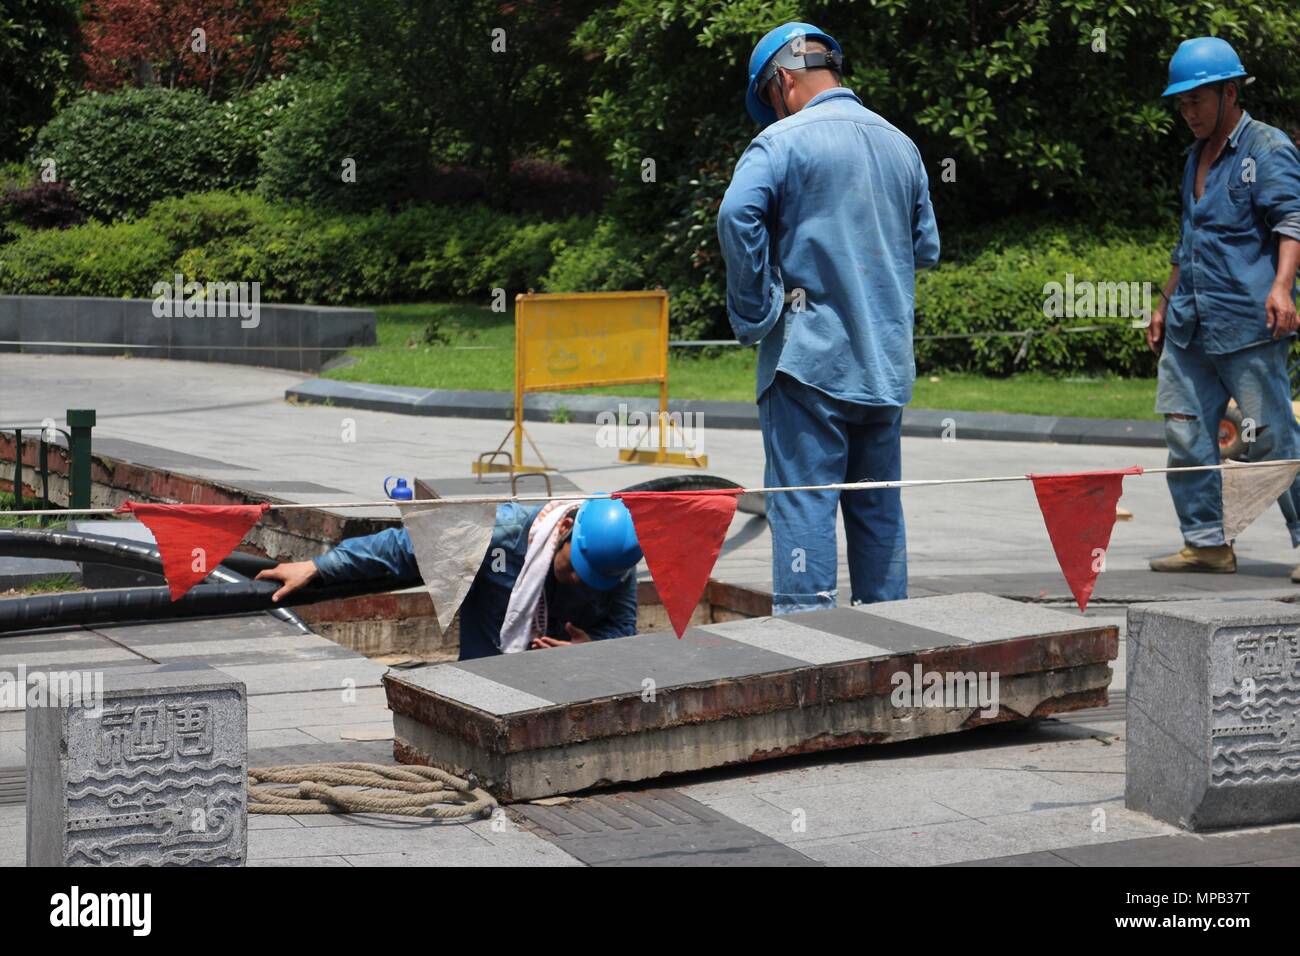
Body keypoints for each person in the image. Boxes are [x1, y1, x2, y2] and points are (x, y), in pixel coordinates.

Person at [716, 21, 940, 615]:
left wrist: (755, 308)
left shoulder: (782, 143)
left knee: (804, 507)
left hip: (806, 368)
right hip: (883, 369)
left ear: (783, 80)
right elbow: (926, 249)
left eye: (770, 100)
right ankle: (891, 651)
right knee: (877, 514)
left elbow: (737, 213)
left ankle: (806, 655)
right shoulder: (901, 145)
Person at [1146, 37, 1300, 575]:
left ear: (1229, 92)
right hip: (1191, 325)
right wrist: (1164, 303)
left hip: (1249, 325)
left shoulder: (1268, 148)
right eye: (1182, 103)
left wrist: (1282, 287)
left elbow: (1291, 224)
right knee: (1185, 433)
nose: (1187, 113)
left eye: (1196, 101)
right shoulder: (1194, 158)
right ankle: (1207, 542)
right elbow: (1189, 240)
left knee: (1271, 438)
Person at [256, 497, 642, 659]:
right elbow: (406, 547)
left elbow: (624, 627)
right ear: (566, 529)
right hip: (487, 674)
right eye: (574, 567)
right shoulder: (500, 533)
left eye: (590, 579)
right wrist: (319, 567)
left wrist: (591, 646)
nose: (578, 580)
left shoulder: (613, 562)